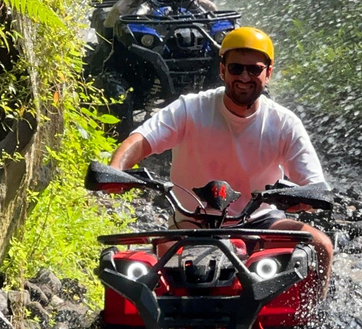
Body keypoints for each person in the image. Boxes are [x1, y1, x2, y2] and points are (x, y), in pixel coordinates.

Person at [109, 26, 333, 299]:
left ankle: (312, 323)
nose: (245, 77)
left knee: (320, 245)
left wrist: (307, 198)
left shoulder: (284, 123)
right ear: (223, 70)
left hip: (259, 221)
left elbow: (314, 184)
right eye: (237, 68)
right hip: (191, 222)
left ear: (268, 73)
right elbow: (141, 140)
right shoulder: (190, 108)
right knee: (145, 289)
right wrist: (116, 171)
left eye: (255, 69)